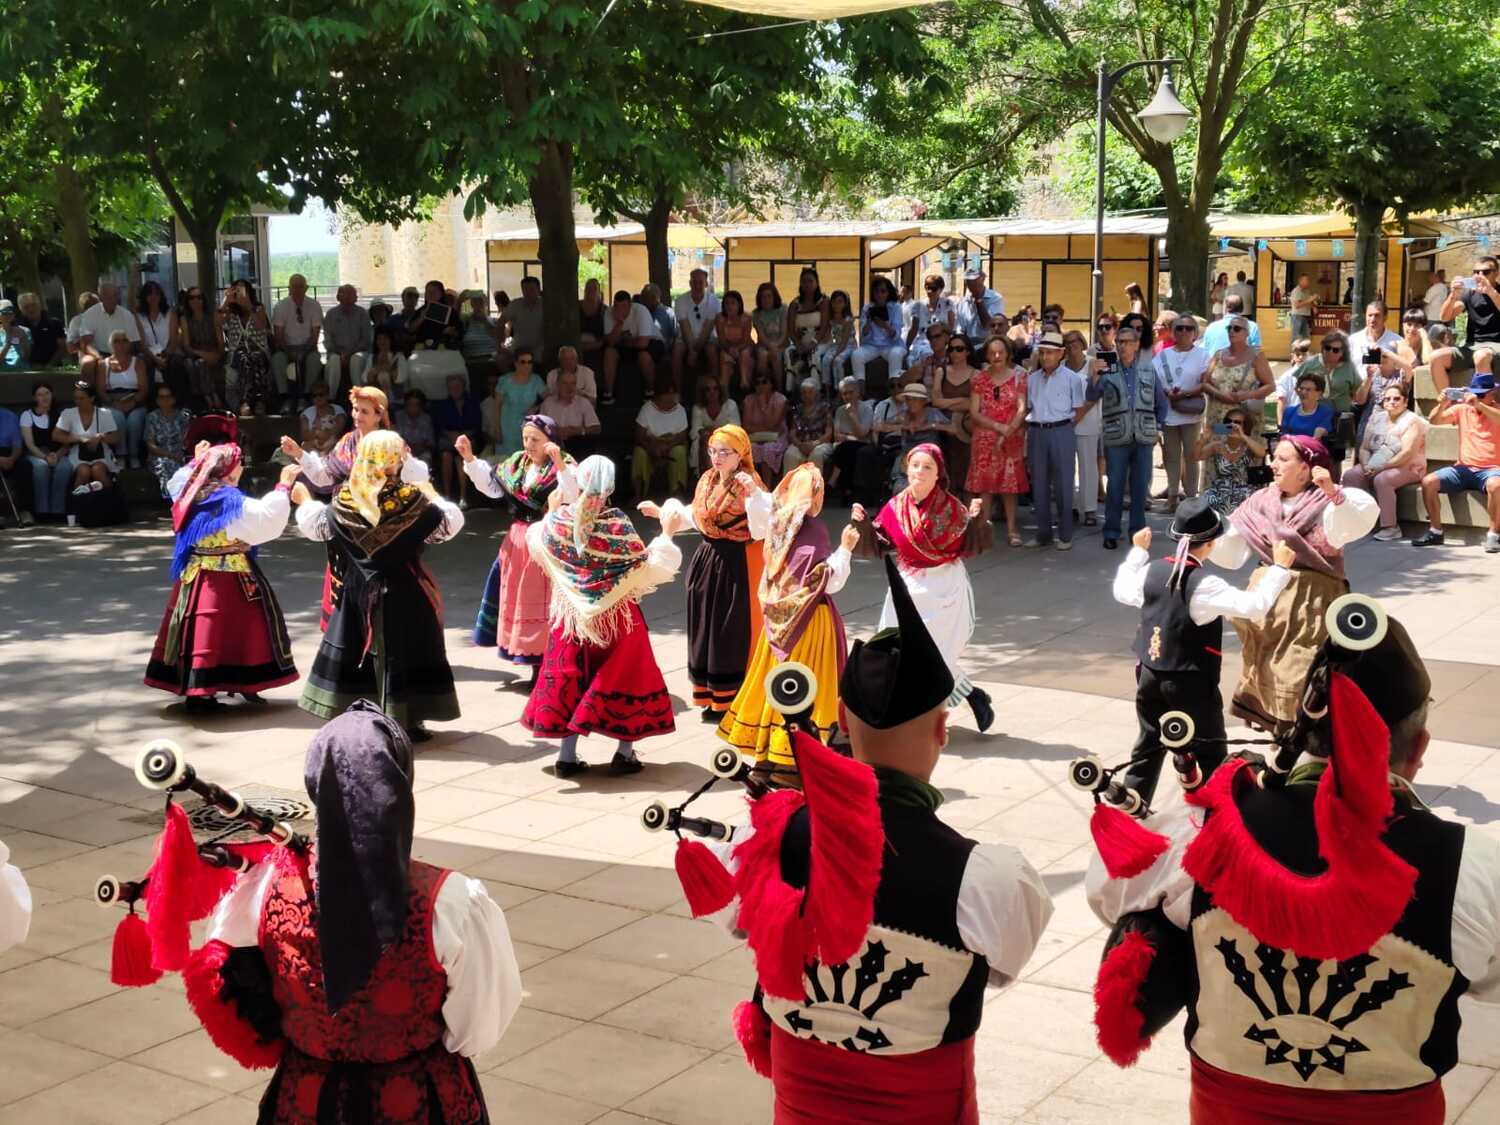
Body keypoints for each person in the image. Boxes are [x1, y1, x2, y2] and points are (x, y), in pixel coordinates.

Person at [1086, 607, 1500, 1125]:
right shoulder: (1476, 870)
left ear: (1301, 731)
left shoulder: (1195, 835)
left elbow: (1109, 895)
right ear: (1418, 749)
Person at [714, 556, 1051, 1121]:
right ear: (944, 728)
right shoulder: (982, 878)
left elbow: (735, 920)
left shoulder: (766, 838)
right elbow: (1001, 964)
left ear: (842, 720)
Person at [185, 703, 521, 1123]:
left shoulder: (259, 886)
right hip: (418, 1100)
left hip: (305, 1097)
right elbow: (478, 1027)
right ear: (400, 788)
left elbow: (227, 980)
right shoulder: (451, 901)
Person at [1108, 500, 1294, 804]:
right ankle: (1217, 820)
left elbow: (1122, 590)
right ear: (1210, 544)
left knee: (1147, 747)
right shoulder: (1205, 584)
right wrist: (1279, 569)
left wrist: (1138, 552)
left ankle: (1130, 813)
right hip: (1190, 682)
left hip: (1150, 674)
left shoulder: (1151, 571)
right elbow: (1253, 606)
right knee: (1209, 750)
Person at [522, 456, 688, 776]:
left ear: (580, 482)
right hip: (617, 617)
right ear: (610, 486)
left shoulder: (559, 521)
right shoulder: (616, 523)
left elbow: (537, 541)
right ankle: (624, 754)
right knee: (627, 677)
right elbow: (649, 566)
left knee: (572, 677)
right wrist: (666, 534)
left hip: (570, 616)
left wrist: (553, 510)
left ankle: (566, 757)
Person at [295, 430, 463, 741]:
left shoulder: (344, 501)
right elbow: (449, 526)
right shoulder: (414, 501)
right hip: (405, 589)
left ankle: (361, 716)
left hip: (358, 589)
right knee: (407, 649)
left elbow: (318, 528)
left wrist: (305, 501)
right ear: (392, 460)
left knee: (358, 648)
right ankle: (407, 720)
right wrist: (434, 494)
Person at [1214, 436, 1377, 732]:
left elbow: (1360, 518)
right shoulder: (1262, 500)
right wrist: (1202, 534)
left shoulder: (1326, 502)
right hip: (1268, 597)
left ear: (1307, 468)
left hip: (1310, 602)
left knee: (1298, 669)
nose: (1274, 465)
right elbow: (1232, 545)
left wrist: (1333, 492)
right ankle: (1279, 735)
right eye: (1274, 458)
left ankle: (1298, 735)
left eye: (1283, 459)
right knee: (1264, 664)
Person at [718, 463, 857, 767]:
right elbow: (826, 580)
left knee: (780, 683)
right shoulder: (814, 529)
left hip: (778, 622)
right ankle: (802, 748)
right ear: (815, 496)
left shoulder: (777, 526)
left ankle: (770, 747)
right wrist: (845, 549)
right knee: (808, 686)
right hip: (811, 622)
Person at [851, 442, 994, 730]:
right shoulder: (896, 506)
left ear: (939, 473)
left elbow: (970, 542)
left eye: (927, 466)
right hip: (908, 584)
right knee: (893, 648)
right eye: (915, 465)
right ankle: (969, 695)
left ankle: (931, 714)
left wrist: (978, 520)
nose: (919, 471)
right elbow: (883, 541)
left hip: (944, 586)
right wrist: (864, 525)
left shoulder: (952, 509)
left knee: (936, 654)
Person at [145, 444, 299, 708]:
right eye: (238, 463)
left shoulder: (193, 492)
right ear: (227, 471)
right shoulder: (231, 501)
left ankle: (203, 690)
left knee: (204, 632)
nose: (241, 468)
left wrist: (197, 461)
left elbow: (177, 481)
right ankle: (232, 684)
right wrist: (283, 486)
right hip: (230, 575)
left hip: (196, 575)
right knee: (245, 629)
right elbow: (266, 520)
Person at [644, 425, 766, 719]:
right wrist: (663, 511)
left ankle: (735, 698)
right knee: (705, 626)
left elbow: (763, 525)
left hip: (738, 562)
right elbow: (697, 515)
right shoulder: (708, 480)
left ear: (741, 454)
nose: (718, 457)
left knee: (731, 629)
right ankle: (712, 696)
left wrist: (753, 497)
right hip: (708, 558)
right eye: (714, 451)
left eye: (726, 452)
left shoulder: (750, 483)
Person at [461, 420, 578, 679]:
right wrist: (470, 459)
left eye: (535, 439)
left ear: (550, 439)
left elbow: (572, 495)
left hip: (547, 537)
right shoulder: (516, 464)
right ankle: (528, 657)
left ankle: (544, 665)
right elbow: (492, 488)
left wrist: (559, 463)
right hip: (517, 539)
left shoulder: (565, 465)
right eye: (525, 438)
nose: (529, 445)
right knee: (518, 600)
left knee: (541, 602)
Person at [1092, 325, 1167, 550]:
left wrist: (1159, 428)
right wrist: (1094, 376)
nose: (1122, 346)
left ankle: (1137, 532)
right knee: (1114, 486)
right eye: (1119, 342)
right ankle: (1111, 531)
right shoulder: (1108, 369)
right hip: (1116, 436)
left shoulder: (1147, 369)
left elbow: (1161, 401)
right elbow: (1091, 395)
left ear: (1136, 345)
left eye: (1127, 342)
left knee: (1139, 487)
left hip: (1143, 436)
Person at [1413, 372, 1500, 551]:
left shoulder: (1496, 409)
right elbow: (1434, 421)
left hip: (1492, 469)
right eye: (1476, 393)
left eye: (1483, 394)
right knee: (1429, 482)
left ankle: (1494, 535)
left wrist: (1481, 406)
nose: (1479, 397)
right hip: (1463, 468)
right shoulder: (1461, 409)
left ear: (1493, 393)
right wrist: (1442, 403)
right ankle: (1435, 532)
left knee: (1496, 485)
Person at [1343, 383, 1427, 542]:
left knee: (1383, 479)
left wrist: (1380, 467)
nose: (1392, 402)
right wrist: (1368, 465)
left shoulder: (1413, 421)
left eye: (1397, 398)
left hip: (1409, 467)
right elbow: (1364, 447)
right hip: (1376, 463)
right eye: (1388, 399)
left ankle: (1390, 527)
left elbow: (1407, 453)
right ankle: (1359, 522)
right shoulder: (1376, 417)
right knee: (1351, 475)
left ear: (1405, 401)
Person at [967, 335, 1029, 546]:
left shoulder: (1019, 377)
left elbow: (1022, 408)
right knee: (985, 486)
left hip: (1011, 437)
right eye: (992, 352)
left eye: (1001, 352)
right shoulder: (979, 379)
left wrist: (1007, 431)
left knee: (1009, 487)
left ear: (1008, 354)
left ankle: (1012, 530)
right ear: (986, 355)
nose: (996, 356)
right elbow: (974, 412)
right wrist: (998, 427)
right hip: (985, 437)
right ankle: (984, 530)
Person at [1026, 330, 1085, 550]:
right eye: (1042, 353)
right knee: (1039, 484)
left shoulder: (1072, 379)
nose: (1046, 357)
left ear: (1061, 353)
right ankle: (1043, 534)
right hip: (1037, 431)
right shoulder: (1032, 379)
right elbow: (1029, 406)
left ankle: (1065, 535)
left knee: (1063, 485)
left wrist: (1065, 429)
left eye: (1051, 353)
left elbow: (1078, 409)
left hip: (1062, 431)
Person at [1154, 314, 1208, 512]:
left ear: (1195, 332)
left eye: (1188, 328)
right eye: (1179, 328)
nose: (1184, 332)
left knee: (1192, 456)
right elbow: (1155, 381)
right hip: (1169, 412)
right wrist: (1166, 392)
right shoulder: (1163, 355)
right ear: (1173, 331)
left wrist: (1187, 393)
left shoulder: (1203, 355)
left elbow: (1206, 383)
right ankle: (1172, 498)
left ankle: (1192, 498)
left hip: (1190, 413)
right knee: (1171, 457)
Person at [1201, 315, 1275, 445]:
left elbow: (1270, 386)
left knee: (1240, 455)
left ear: (1247, 333)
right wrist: (1219, 394)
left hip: (1243, 420)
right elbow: (1205, 382)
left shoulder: (1256, 355)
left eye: (1237, 328)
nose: (1231, 331)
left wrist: (1246, 395)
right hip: (1218, 418)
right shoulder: (1219, 354)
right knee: (1217, 453)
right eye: (1229, 328)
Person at [1430, 256, 1500, 392]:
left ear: (1496, 273)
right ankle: (1448, 403)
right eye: (1476, 272)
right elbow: (1445, 317)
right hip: (1471, 347)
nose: (1479, 276)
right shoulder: (1469, 294)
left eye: (1485, 272)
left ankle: (1483, 405)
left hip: (1496, 346)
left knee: (1481, 356)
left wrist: (1490, 292)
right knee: (1436, 357)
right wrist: (1453, 296)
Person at [1192, 406, 1264, 516]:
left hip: (1244, 490)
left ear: (1245, 426)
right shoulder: (1217, 446)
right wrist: (1203, 440)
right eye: (1228, 422)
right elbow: (1196, 457)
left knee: (1249, 501)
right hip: (1220, 490)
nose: (1232, 425)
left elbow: (1261, 453)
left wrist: (1243, 436)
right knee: (1203, 501)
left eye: (1237, 422)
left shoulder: (1248, 446)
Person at [270, 274, 324, 410]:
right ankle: (285, 398)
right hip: (286, 347)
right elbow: (278, 337)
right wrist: (290, 353)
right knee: (277, 359)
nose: (298, 290)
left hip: (308, 347)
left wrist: (303, 353)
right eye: (294, 286)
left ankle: (305, 397)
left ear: (306, 288)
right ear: (289, 288)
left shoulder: (314, 305)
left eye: (301, 286)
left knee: (314, 359)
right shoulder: (281, 306)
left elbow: (315, 336)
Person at [55, 380, 120, 493]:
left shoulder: (104, 413)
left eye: (82, 398)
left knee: (98, 470)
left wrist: (100, 437)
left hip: (101, 453)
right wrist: (78, 438)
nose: (78, 401)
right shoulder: (68, 413)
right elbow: (56, 435)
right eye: (76, 398)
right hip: (77, 454)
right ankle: (79, 504)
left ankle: (111, 503)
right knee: (83, 471)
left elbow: (115, 438)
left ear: (92, 398)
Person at [932, 331, 977, 491]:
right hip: (942, 427)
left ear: (968, 352)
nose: (954, 353)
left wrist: (947, 403)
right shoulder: (941, 371)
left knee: (966, 469)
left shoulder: (975, 374)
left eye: (959, 349)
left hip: (965, 428)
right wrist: (961, 401)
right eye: (951, 349)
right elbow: (935, 401)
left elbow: (974, 405)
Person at [221, 280, 274, 416]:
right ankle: (253, 402)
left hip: (258, 350)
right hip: (237, 353)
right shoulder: (230, 311)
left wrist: (248, 306)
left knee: (253, 358)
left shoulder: (258, 308)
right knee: (245, 359)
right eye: (236, 291)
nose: (240, 294)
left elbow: (261, 326)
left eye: (242, 290)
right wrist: (227, 299)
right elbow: (219, 321)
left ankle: (249, 403)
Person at [601, 287, 660, 405]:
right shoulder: (609, 313)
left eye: (623, 306)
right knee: (609, 353)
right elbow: (611, 343)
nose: (619, 310)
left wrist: (623, 341)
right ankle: (609, 393)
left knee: (644, 356)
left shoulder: (641, 311)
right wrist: (619, 324)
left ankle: (651, 391)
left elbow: (643, 343)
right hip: (627, 345)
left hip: (651, 342)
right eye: (616, 306)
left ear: (630, 305)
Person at [170, 286, 226, 410]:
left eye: (199, 298)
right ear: (187, 301)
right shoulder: (185, 319)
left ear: (204, 300)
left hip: (213, 351)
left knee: (197, 364)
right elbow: (186, 346)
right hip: (195, 354)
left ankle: (207, 397)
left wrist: (217, 354)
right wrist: (203, 355)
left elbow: (221, 342)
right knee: (194, 363)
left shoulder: (213, 315)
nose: (195, 301)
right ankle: (210, 395)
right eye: (191, 298)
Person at [99, 328, 148, 469]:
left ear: (129, 343)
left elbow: (144, 389)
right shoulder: (103, 364)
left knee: (134, 420)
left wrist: (133, 402)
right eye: (116, 341)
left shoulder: (138, 362)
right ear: (110, 345)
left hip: (135, 402)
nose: (120, 344)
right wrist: (114, 403)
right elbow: (101, 391)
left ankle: (133, 456)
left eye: (124, 340)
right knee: (117, 417)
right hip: (112, 403)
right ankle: (120, 456)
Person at [20, 383, 69, 520]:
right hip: (36, 453)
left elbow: (67, 442)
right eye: (40, 394)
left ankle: (58, 511)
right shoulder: (27, 415)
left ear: (52, 395)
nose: (44, 397)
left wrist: (57, 455)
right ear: (35, 398)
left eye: (47, 393)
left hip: (57, 452)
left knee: (65, 467)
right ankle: (42, 512)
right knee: (41, 467)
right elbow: (29, 444)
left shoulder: (61, 414)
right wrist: (45, 457)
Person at [76, 282, 140, 387]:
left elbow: (133, 342)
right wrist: (99, 358)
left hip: (122, 351)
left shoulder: (127, 315)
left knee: (139, 361)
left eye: (115, 296)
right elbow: (86, 344)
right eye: (108, 297)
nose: (112, 300)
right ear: (101, 297)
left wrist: (119, 355)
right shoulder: (90, 314)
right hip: (97, 353)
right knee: (87, 363)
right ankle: (88, 398)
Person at [632, 385, 690, 498]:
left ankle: (677, 493)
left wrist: (667, 446)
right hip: (651, 443)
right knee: (639, 452)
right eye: (667, 394)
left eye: (673, 393)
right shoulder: (647, 408)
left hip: (672, 444)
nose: (670, 397)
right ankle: (638, 494)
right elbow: (639, 436)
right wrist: (651, 447)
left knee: (679, 451)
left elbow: (682, 437)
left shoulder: (680, 409)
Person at [490, 346, 545, 460]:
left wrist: (536, 407)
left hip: (527, 427)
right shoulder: (504, 381)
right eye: (523, 362)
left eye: (530, 362)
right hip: (506, 428)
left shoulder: (537, 380)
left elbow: (549, 399)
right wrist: (497, 429)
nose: (527, 365)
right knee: (506, 462)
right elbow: (496, 406)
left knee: (527, 460)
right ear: (515, 363)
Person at [826, 375, 874, 506]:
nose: (847, 396)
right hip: (847, 445)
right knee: (846, 450)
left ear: (858, 392)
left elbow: (863, 433)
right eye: (844, 394)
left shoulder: (867, 409)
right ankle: (847, 492)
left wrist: (853, 416)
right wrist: (851, 437)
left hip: (862, 444)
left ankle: (832, 482)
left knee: (845, 448)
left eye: (850, 392)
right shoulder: (840, 411)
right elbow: (836, 435)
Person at [852, 277, 906, 387]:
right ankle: (860, 391)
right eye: (876, 291)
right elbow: (864, 335)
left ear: (888, 292)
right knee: (856, 355)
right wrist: (868, 321)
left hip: (892, 345)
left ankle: (894, 390)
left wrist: (885, 326)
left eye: (883, 291)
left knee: (895, 355)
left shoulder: (895, 308)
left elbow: (897, 334)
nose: (879, 295)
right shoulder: (868, 308)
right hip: (872, 346)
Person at [673, 268, 721, 388]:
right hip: (685, 337)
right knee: (677, 351)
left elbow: (708, 328)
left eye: (701, 282)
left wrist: (694, 352)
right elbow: (685, 327)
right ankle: (677, 390)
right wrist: (691, 349)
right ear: (690, 283)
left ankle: (714, 388)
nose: (697, 285)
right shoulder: (680, 301)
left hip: (708, 338)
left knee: (712, 351)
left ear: (706, 283)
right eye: (694, 282)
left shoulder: (714, 301)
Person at [539, 366, 601, 458]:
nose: (570, 387)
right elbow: (539, 428)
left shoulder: (583, 402)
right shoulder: (548, 403)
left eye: (573, 383)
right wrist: (554, 432)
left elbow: (597, 428)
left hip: (577, 446)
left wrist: (578, 430)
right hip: (552, 446)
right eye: (565, 383)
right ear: (558, 385)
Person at [144, 383, 192, 500]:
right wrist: (171, 455)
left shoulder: (182, 416)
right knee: (167, 464)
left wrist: (181, 455)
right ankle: (173, 497)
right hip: (159, 455)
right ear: (157, 400)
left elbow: (188, 439)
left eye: (168, 396)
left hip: (180, 454)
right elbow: (150, 445)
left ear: (173, 399)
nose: (165, 400)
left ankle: (181, 497)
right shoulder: (152, 417)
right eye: (161, 397)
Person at [323, 283, 371, 398]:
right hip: (336, 352)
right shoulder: (330, 314)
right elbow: (328, 341)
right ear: (338, 297)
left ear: (356, 298)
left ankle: (360, 397)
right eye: (345, 295)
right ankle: (331, 399)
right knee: (334, 360)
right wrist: (341, 354)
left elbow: (366, 340)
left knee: (356, 359)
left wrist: (349, 354)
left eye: (351, 295)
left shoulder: (363, 314)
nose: (348, 297)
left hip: (359, 352)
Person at [783, 268, 828, 386]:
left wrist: (814, 342)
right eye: (804, 281)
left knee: (814, 354)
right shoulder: (795, 304)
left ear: (817, 283)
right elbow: (790, 329)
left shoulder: (823, 302)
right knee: (789, 352)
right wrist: (798, 344)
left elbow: (824, 327)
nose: (807, 284)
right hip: (800, 343)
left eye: (810, 281)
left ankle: (816, 389)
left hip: (820, 342)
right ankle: (789, 390)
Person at [742, 372, 789, 482]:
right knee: (752, 448)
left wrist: (762, 404)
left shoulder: (780, 400)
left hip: (777, 437)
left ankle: (766, 488)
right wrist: (762, 433)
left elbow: (773, 425)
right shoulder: (749, 400)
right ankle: (753, 488)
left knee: (767, 449)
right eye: (757, 383)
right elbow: (746, 426)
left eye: (764, 382)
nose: (761, 386)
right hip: (755, 438)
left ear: (771, 384)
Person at [689, 376, 740, 474]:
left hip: (728, 441)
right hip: (705, 442)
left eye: (715, 388)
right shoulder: (697, 408)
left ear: (720, 391)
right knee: (702, 442)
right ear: (703, 393)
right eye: (708, 389)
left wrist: (714, 432)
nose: (712, 392)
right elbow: (694, 432)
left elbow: (736, 429)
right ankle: (706, 476)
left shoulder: (731, 405)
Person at [782, 378, 833, 475]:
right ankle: (790, 488)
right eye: (804, 392)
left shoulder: (825, 408)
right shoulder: (797, 409)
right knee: (790, 454)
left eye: (810, 392)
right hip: (800, 443)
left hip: (820, 443)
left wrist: (814, 444)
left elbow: (829, 433)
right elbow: (792, 433)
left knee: (816, 455)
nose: (806, 395)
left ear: (816, 393)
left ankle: (815, 489)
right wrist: (800, 445)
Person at [907, 273, 957, 365]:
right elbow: (914, 329)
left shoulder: (947, 304)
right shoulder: (918, 305)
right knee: (923, 355)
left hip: (942, 342)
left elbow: (951, 328)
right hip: (923, 341)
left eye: (933, 288)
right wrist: (907, 346)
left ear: (941, 289)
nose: (929, 291)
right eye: (927, 287)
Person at [135, 280, 174, 395]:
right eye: (150, 294)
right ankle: (150, 403)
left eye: (157, 293)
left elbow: (174, 340)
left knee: (176, 363)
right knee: (145, 363)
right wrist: (155, 359)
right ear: (144, 297)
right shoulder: (138, 316)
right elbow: (141, 344)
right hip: (148, 353)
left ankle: (178, 402)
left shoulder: (170, 313)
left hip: (167, 352)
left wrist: (166, 355)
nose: (154, 297)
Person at [715, 290, 756, 397]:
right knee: (724, 356)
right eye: (727, 303)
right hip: (727, 347)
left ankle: (744, 381)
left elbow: (746, 340)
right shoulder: (720, 318)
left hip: (744, 346)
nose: (729, 306)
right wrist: (730, 350)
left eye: (733, 303)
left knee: (745, 354)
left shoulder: (746, 318)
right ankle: (725, 393)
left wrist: (737, 349)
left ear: (739, 304)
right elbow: (721, 340)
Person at [499, 275, 545, 368]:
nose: (528, 293)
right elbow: (500, 323)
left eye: (531, 289)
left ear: (538, 289)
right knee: (501, 359)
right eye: (525, 289)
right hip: (518, 347)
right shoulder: (515, 304)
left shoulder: (546, 304)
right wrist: (500, 345)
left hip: (540, 349)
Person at [1279, 370, 1336, 442]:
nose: (1303, 392)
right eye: (1301, 388)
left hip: (1312, 450)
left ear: (1319, 394)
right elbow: (1284, 437)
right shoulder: (1289, 411)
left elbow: (1317, 437)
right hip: (1290, 448)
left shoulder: (1326, 413)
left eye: (1308, 389)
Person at [751, 282, 788, 390]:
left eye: (769, 296)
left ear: (774, 296)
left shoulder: (783, 309)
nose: (766, 299)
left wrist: (775, 346)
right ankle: (761, 389)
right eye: (763, 297)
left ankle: (779, 390)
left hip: (781, 343)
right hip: (764, 344)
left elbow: (784, 333)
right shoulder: (756, 314)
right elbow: (761, 336)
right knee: (762, 355)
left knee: (775, 356)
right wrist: (771, 347)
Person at [818, 289, 857, 389]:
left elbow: (844, 341)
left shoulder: (848, 319)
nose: (836, 305)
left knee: (837, 361)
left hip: (849, 346)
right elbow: (827, 337)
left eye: (840, 302)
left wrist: (836, 354)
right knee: (826, 360)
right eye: (834, 302)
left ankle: (839, 390)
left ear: (845, 304)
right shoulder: (831, 319)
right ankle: (827, 391)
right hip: (836, 345)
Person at [458, 290, 498, 387]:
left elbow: (498, 337)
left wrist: (484, 321)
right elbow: (454, 316)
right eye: (474, 301)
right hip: (471, 362)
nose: (477, 304)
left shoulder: (493, 320)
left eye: (480, 301)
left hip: (490, 361)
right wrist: (460, 301)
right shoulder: (466, 320)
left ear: (485, 303)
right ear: (471, 304)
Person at [298, 381, 348, 458]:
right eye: (314, 395)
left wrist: (316, 432)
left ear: (327, 395)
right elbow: (304, 436)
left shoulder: (338, 410)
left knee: (334, 441)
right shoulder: (307, 413)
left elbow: (337, 432)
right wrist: (318, 436)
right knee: (305, 445)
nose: (318, 398)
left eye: (321, 395)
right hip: (312, 445)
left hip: (331, 445)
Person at [15, 292, 64, 367]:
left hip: (53, 369)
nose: (31, 309)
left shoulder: (54, 323)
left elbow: (62, 347)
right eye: (26, 307)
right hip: (27, 370)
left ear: (39, 305)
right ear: (21, 310)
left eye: (33, 305)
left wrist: (49, 366)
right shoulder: (18, 327)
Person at [364, 325, 409, 405]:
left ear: (391, 340)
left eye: (385, 338)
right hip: (375, 400)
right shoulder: (372, 357)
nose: (382, 341)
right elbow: (365, 378)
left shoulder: (399, 357)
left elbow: (401, 379)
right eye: (379, 339)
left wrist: (388, 367)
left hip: (395, 400)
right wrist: (378, 367)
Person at [411, 279, 461, 351]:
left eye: (433, 292)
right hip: (422, 350)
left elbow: (459, 333)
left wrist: (451, 332)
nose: (430, 294)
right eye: (427, 292)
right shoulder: (421, 310)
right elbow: (410, 330)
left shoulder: (451, 312)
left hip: (444, 349)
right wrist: (421, 318)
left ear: (441, 294)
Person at [955, 267, 1005, 339]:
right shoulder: (963, 302)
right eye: (968, 281)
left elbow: (988, 325)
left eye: (975, 280)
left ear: (983, 279)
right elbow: (960, 328)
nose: (972, 283)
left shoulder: (995, 298)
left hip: (988, 342)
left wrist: (979, 300)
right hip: (969, 343)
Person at [395, 388, 437, 471]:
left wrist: (420, 448)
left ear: (421, 406)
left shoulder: (426, 418)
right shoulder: (399, 417)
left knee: (424, 462)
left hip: (422, 452)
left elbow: (430, 441)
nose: (413, 408)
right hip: (402, 451)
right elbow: (396, 438)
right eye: (410, 404)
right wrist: (407, 449)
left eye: (416, 405)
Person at [1287, 272, 1319, 340]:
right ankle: (1293, 351)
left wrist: (1313, 306)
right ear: (1300, 281)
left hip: (1305, 316)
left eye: (1308, 280)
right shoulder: (1296, 291)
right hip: (1297, 316)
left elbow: (1308, 301)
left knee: (1306, 337)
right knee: (1295, 337)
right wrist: (1311, 299)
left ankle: (1305, 351)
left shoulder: (1307, 291)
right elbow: (1297, 305)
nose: (1308, 282)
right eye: (1306, 280)